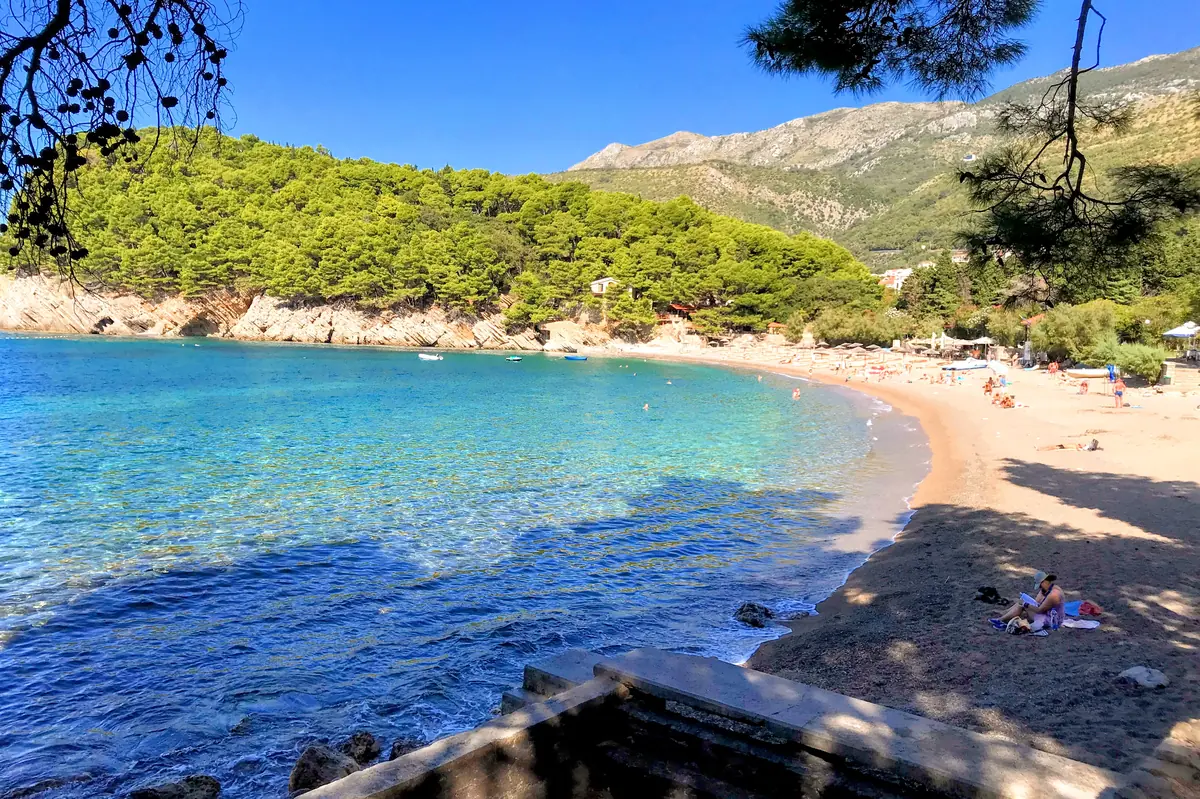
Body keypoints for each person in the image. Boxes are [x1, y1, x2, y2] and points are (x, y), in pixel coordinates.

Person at [991, 571, 1065, 632]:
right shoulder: (1049, 588)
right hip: (1047, 614)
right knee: (1021, 603)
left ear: (1044, 582)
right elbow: (1037, 602)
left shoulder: (1054, 594)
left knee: (1022, 605)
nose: (1040, 588)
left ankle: (1001, 619)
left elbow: (1039, 610)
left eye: (1040, 585)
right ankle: (1004, 615)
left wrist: (1025, 604)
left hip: (1052, 620)